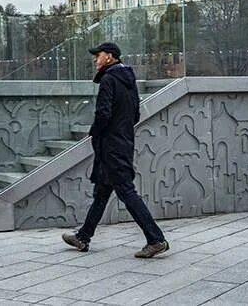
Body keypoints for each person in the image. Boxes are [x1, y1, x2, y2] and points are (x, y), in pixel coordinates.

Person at [62, 42, 169, 258]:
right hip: (123, 142)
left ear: (109, 57)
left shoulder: (109, 80)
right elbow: (136, 115)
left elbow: (103, 113)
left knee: (126, 192)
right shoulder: (129, 82)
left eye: (98, 55)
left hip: (111, 147)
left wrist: (94, 131)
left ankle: (156, 239)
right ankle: (83, 237)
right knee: (102, 193)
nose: (95, 59)